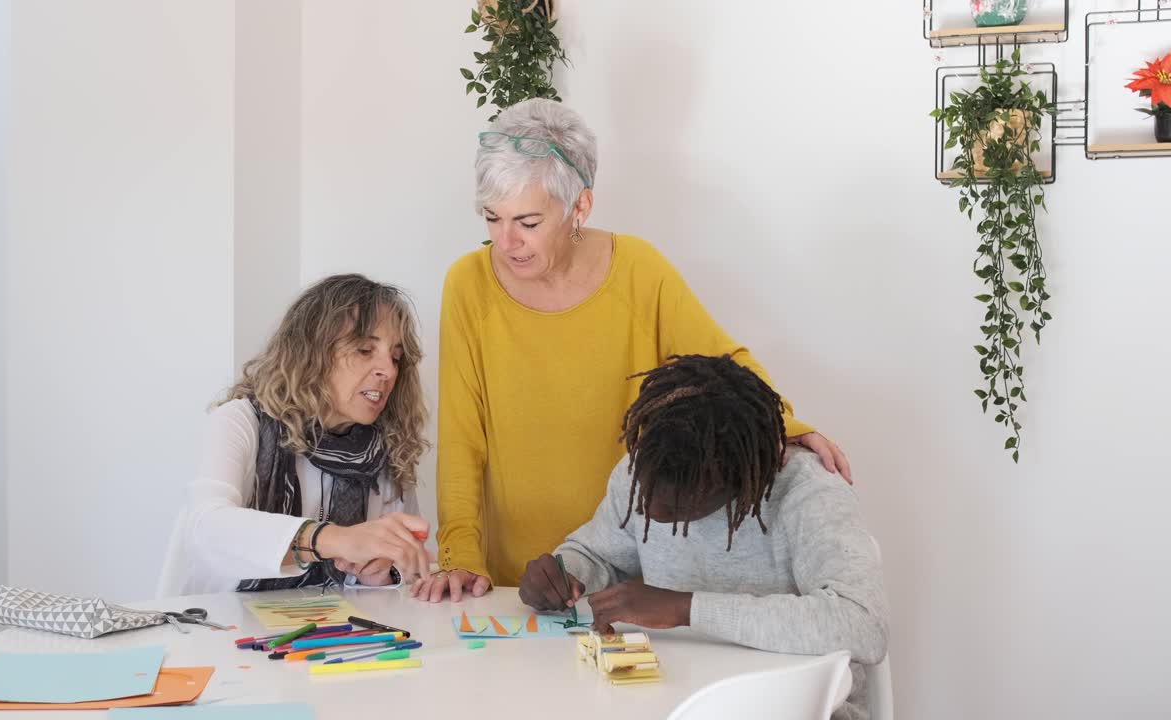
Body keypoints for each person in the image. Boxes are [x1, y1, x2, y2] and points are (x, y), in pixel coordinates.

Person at [413, 98, 851, 602]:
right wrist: (460, 555)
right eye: (492, 218)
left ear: (580, 206)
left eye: (528, 222)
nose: (506, 241)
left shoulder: (639, 270)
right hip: (515, 578)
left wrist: (788, 426)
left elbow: (723, 366)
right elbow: (461, 439)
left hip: (628, 566)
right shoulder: (467, 283)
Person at [520, 354, 887, 720]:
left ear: (742, 483)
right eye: (646, 489)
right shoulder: (645, 470)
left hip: (797, 708)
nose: (650, 510)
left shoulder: (811, 492)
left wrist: (685, 608)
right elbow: (600, 553)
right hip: (671, 701)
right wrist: (566, 573)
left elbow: (861, 623)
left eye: (678, 504)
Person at [157, 274, 432, 596]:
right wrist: (333, 539)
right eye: (364, 350)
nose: (388, 370)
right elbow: (205, 527)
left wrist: (380, 574)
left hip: (331, 636)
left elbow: (405, 579)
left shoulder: (387, 450)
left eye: (396, 357)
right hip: (214, 631)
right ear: (311, 352)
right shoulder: (242, 420)